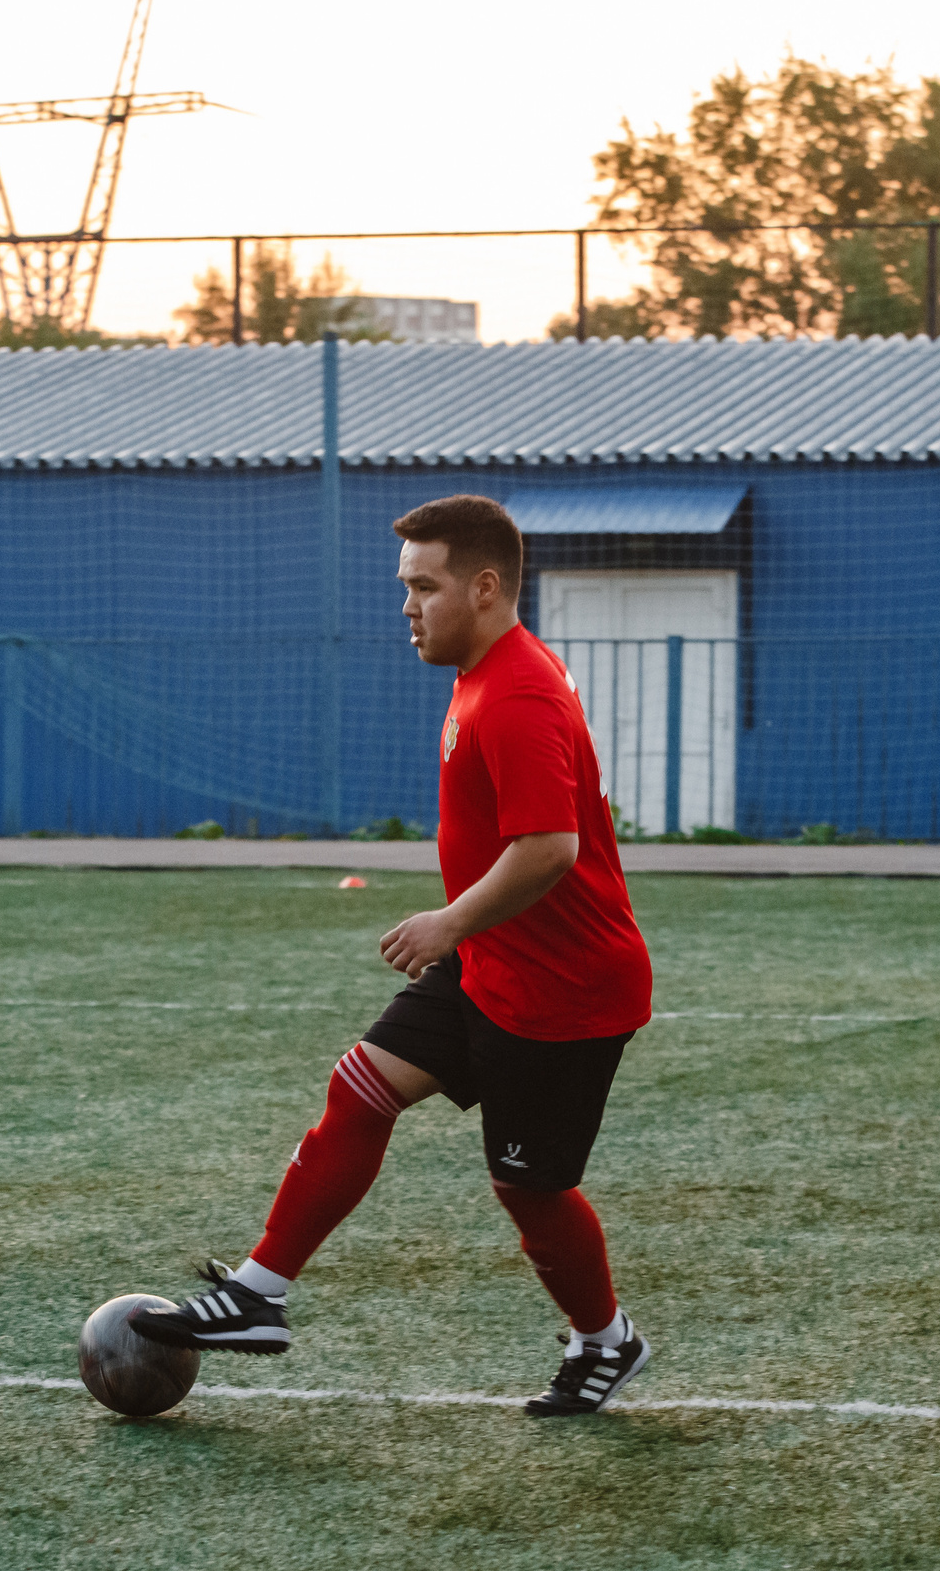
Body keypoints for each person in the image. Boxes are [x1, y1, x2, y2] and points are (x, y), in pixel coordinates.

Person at [130, 493, 658, 1415]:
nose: (406, 606)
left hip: (563, 993)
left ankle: (605, 1340)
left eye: (425, 586)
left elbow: (552, 849)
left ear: (486, 588)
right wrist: (468, 934)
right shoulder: (485, 672)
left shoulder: (522, 692)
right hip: (496, 962)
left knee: (530, 1194)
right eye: (404, 586)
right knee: (360, 1088)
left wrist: (449, 921)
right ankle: (260, 1292)